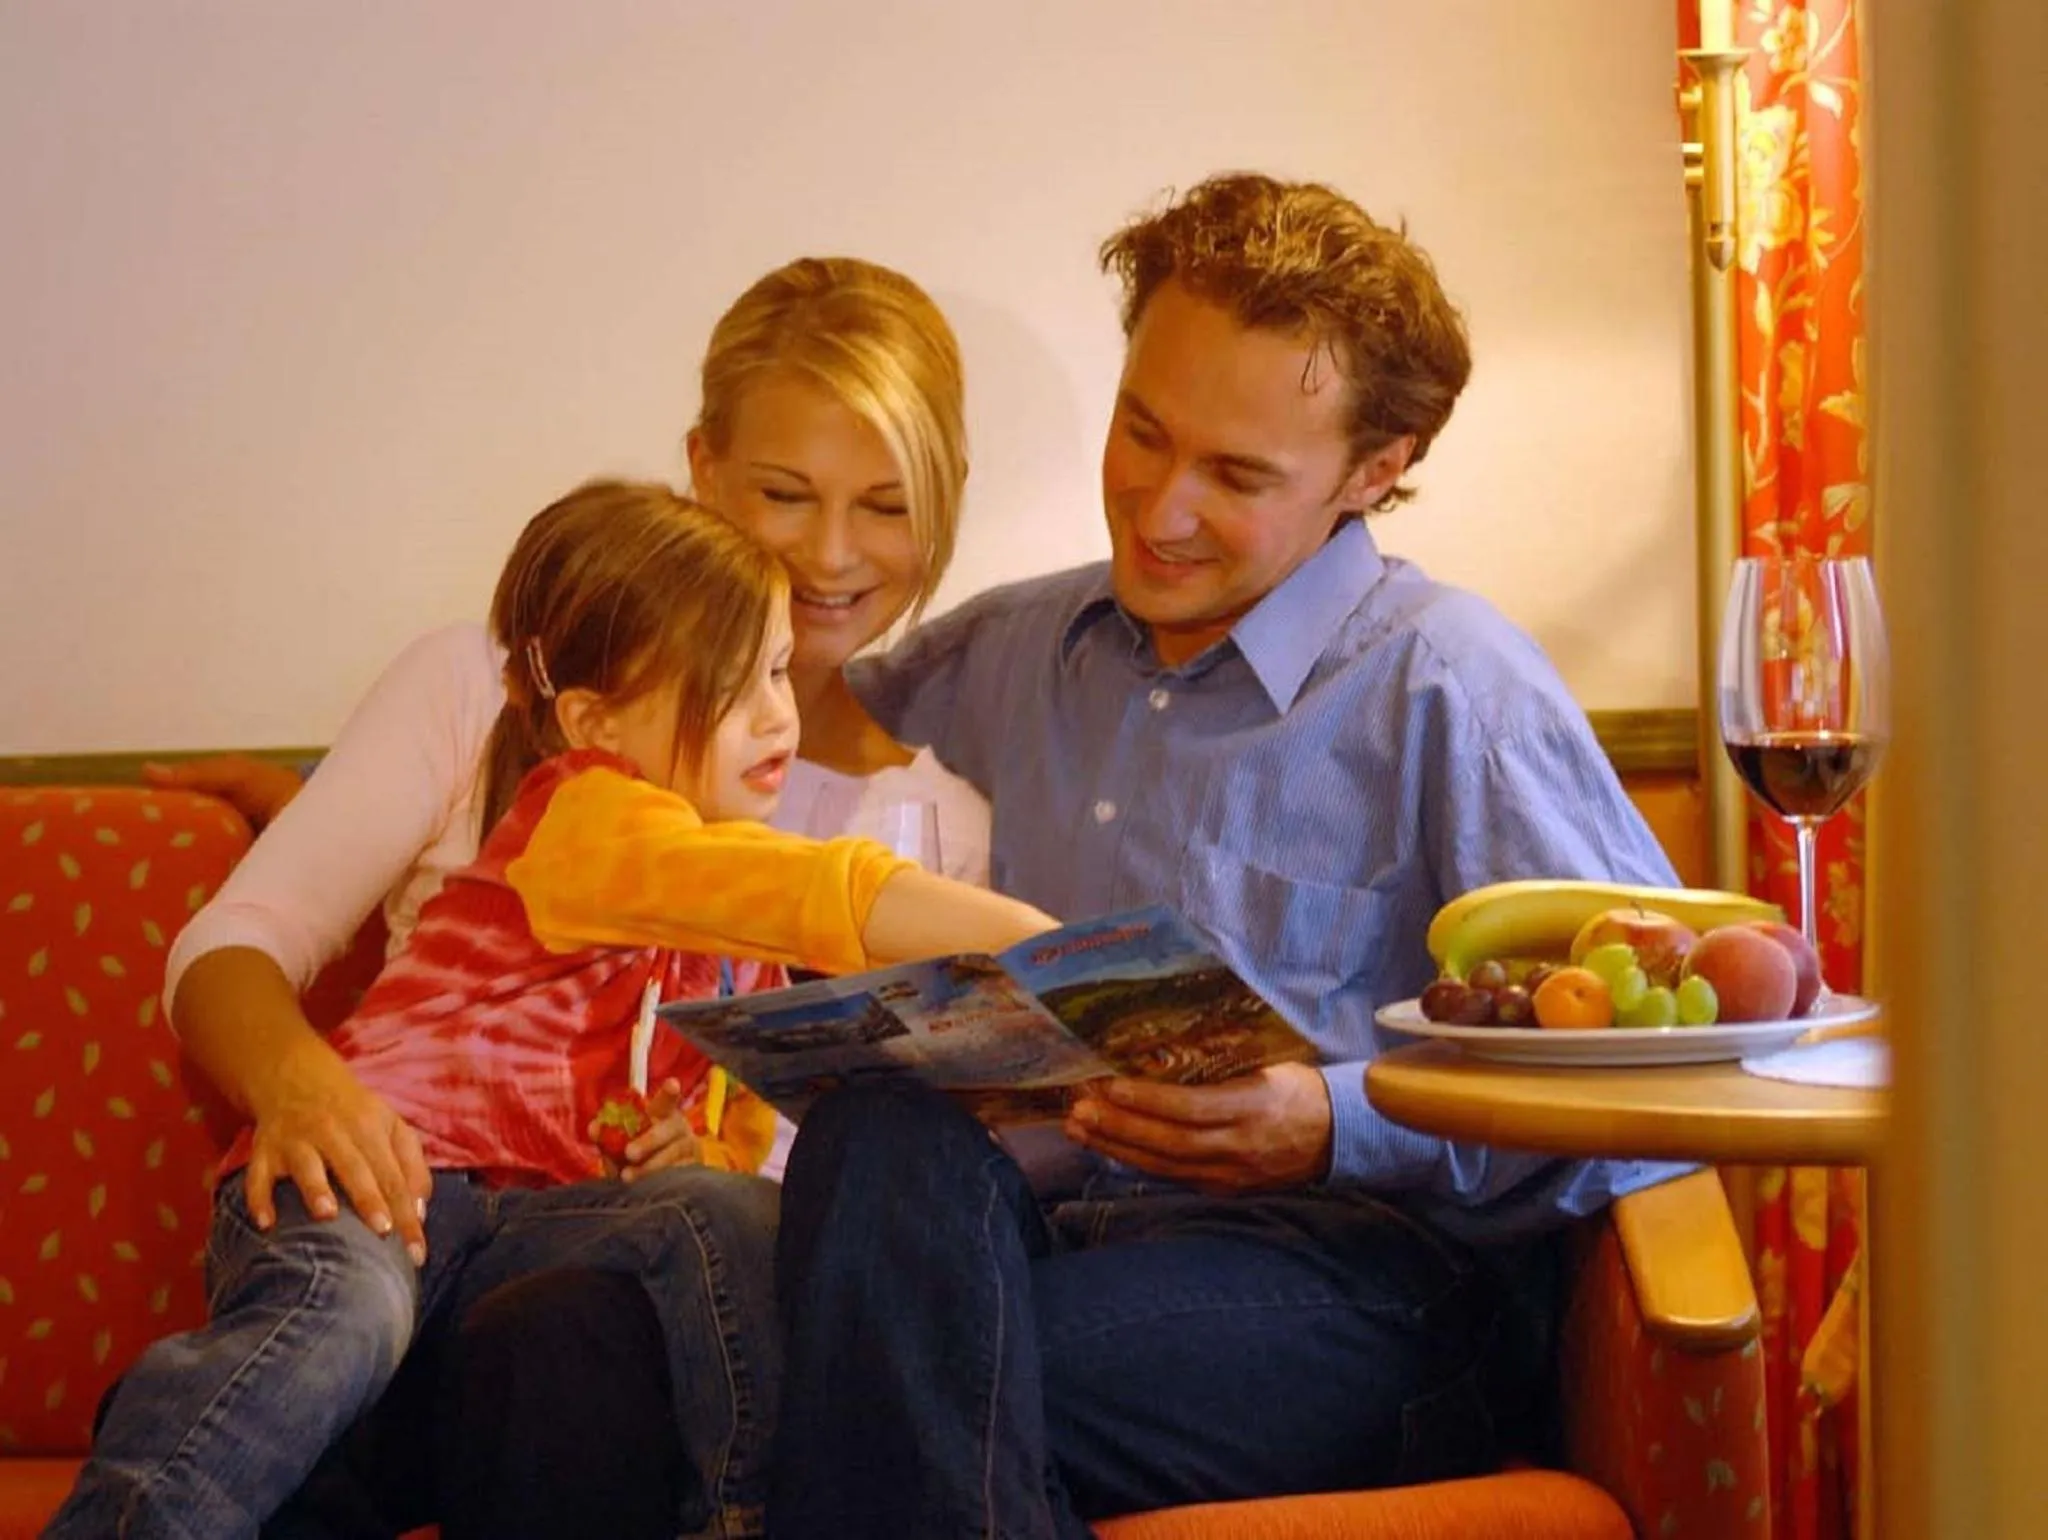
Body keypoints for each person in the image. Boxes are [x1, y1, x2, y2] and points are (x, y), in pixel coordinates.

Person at [763, 172, 1694, 1537]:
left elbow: (1653, 1079)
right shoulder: (1017, 647)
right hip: (1032, 1242)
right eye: (1142, 432)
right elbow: (783, 732)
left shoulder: (1451, 688)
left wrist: (1335, 1120)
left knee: (878, 1383)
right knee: (880, 1140)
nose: (1160, 509)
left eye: (1238, 476)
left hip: (1352, 1279)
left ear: (1373, 472)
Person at [143, 258, 987, 1540]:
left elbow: (850, 1180)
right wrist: (301, 1083)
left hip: (620, 1314)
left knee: (587, 1323)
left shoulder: (933, 821)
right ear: (701, 469)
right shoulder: (493, 686)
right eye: (782, 493)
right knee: (458, 1340)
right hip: (421, 1246)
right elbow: (236, 943)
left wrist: (730, 1146)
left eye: (885, 505)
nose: (829, 553)